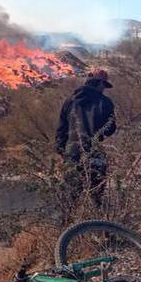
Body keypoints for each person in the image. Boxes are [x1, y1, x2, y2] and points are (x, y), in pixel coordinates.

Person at [56, 68, 117, 206]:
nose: (104, 89)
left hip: (72, 154)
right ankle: (97, 224)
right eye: (103, 85)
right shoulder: (105, 102)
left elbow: (61, 129)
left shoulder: (70, 101)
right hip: (94, 152)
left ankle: (70, 225)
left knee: (70, 199)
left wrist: (62, 151)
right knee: (96, 197)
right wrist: (98, 136)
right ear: (99, 83)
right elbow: (111, 128)